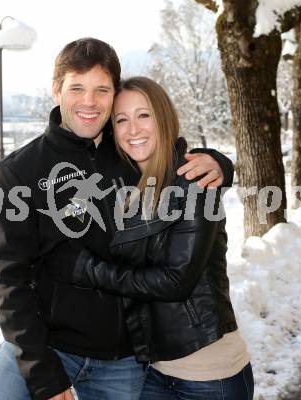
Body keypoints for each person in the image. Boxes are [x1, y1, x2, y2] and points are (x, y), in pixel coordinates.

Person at [0, 38, 234, 400]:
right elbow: (6, 278)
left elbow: (173, 156)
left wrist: (218, 161)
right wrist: (41, 371)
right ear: (56, 90)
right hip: (45, 346)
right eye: (77, 87)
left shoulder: (127, 150)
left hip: (121, 359)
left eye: (102, 90)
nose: (89, 102)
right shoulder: (20, 170)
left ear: (114, 95)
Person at [70, 76, 254, 400]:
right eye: (121, 120)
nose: (133, 129)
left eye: (144, 115)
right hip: (153, 373)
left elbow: (176, 280)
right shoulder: (124, 185)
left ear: (163, 118)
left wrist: (91, 271)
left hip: (210, 374)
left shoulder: (194, 180)